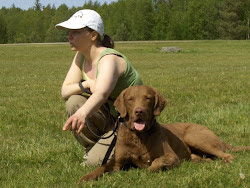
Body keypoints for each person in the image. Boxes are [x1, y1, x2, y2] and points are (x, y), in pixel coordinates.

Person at [55, 9, 143, 166]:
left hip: (130, 124)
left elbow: (101, 94)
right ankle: (94, 149)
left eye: (75, 32)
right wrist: (86, 84)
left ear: (93, 35)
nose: (69, 36)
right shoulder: (81, 55)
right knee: (73, 101)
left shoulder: (109, 59)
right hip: (111, 118)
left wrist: (82, 114)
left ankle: (129, 150)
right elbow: (65, 91)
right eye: (69, 32)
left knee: (94, 163)